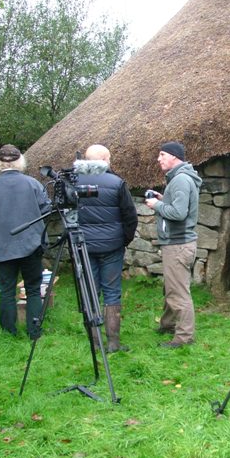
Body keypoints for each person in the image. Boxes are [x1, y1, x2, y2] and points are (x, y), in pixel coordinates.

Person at [0, 144, 51, 338]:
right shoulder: (33, 184)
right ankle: (34, 331)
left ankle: (8, 333)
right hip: (32, 245)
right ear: (20, 161)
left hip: (3, 246)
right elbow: (46, 211)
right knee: (33, 289)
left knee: (7, 291)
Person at [74, 144, 138, 352]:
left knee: (90, 291)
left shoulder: (73, 182)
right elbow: (130, 216)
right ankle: (113, 342)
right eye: (109, 158)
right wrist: (123, 240)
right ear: (104, 159)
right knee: (112, 292)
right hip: (112, 246)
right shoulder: (117, 183)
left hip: (84, 246)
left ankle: (95, 342)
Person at [144, 141, 202, 348]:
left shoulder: (180, 180)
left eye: (162, 155)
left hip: (178, 244)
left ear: (174, 157)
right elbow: (178, 205)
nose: (158, 159)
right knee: (173, 287)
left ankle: (184, 337)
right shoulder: (180, 179)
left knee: (178, 292)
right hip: (179, 243)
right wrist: (163, 198)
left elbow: (178, 214)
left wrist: (157, 205)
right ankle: (168, 324)